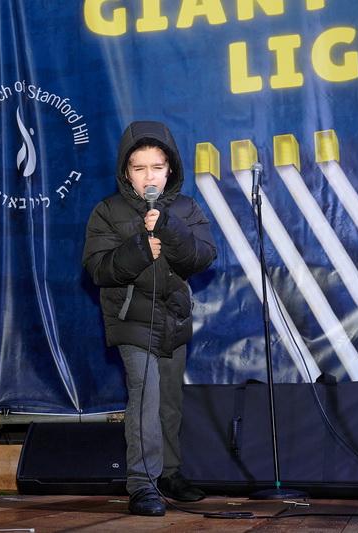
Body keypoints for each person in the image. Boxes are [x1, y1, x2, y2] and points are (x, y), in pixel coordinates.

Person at [82, 121, 216, 516]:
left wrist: (169, 228)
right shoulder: (108, 212)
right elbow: (98, 268)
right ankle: (142, 483)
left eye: (156, 167)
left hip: (173, 318)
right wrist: (140, 247)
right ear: (126, 172)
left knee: (170, 400)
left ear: (170, 169)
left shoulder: (186, 209)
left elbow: (203, 256)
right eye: (139, 168)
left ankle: (169, 473)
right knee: (146, 394)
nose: (149, 176)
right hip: (131, 319)